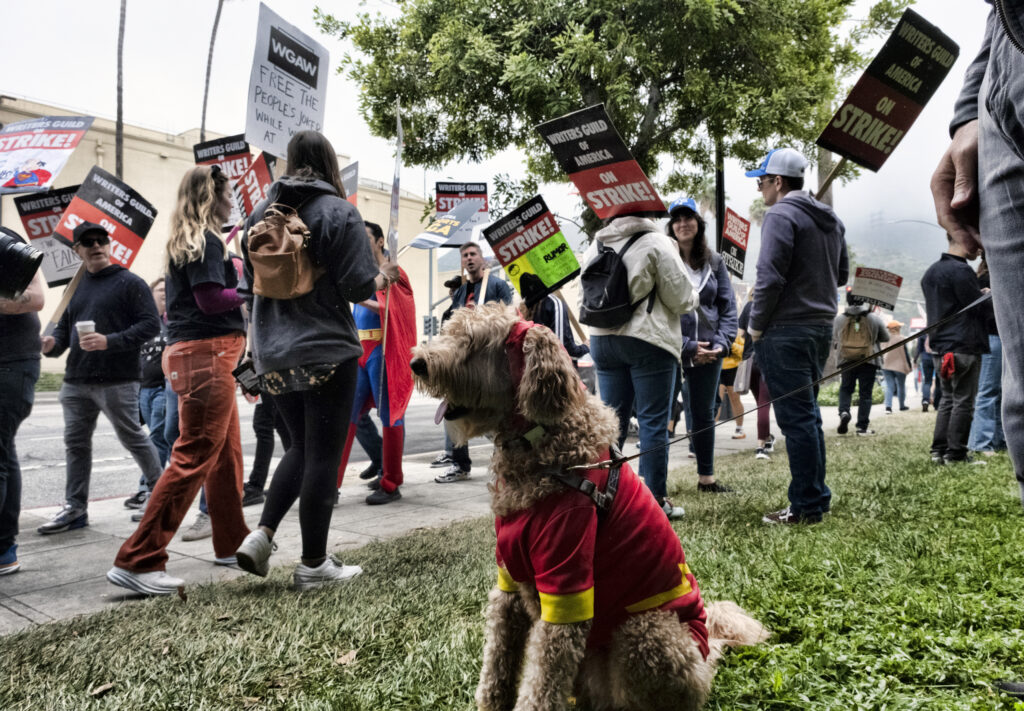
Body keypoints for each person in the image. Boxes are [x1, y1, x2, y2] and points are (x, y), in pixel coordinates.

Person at [234, 130, 395, 589]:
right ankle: (313, 564)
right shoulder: (339, 213)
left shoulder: (258, 217)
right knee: (323, 454)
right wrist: (383, 276)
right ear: (328, 162)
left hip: (273, 354)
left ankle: (262, 534)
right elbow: (357, 288)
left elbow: (249, 289)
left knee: (299, 448)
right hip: (325, 348)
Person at [931, 4, 1024, 696]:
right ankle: (953, 448)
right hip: (1003, 113)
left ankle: (952, 448)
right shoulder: (953, 271)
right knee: (1019, 406)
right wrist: (970, 114)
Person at [106, 165, 250, 595]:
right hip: (207, 356)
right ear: (212, 197)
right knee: (192, 459)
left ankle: (231, 543)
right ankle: (140, 559)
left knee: (226, 458)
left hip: (203, 357)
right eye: (228, 196)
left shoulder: (191, 241)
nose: (232, 203)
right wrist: (249, 286)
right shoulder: (205, 240)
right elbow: (211, 300)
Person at [745, 147, 849, 525]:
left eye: (762, 180)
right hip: (821, 326)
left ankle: (806, 506)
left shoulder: (780, 215)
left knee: (797, 419)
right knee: (808, 417)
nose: (760, 188)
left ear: (778, 181)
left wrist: (756, 325)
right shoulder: (832, 220)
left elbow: (769, 277)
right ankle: (815, 497)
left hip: (785, 329)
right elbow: (840, 275)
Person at [38, 222, 162, 534]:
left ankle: (161, 499)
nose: (96, 246)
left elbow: (151, 326)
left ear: (109, 245)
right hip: (76, 380)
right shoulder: (76, 286)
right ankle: (75, 509)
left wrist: (110, 341)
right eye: (88, 242)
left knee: (133, 437)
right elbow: (65, 331)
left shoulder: (130, 282)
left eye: (101, 240)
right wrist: (52, 345)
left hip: (118, 378)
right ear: (77, 250)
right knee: (75, 444)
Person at [580, 211, 700, 518]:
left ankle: (602, 498)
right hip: (648, 339)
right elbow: (683, 300)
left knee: (610, 425)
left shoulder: (596, 244)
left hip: (603, 341)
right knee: (652, 422)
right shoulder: (656, 242)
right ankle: (655, 501)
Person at [335, 220, 416, 506]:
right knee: (346, 418)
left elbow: (393, 309)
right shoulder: (358, 272)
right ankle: (330, 485)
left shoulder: (395, 273)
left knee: (390, 417)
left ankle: (391, 482)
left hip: (383, 351)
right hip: (359, 352)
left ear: (380, 241)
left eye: (365, 237)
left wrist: (360, 295)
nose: (359, 242)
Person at [667, 197, 737, 493]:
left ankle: (706, 477)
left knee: (704, 411)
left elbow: (728, 306)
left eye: (689, 217)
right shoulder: (664, 260)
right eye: (677, 219)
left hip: (710, 349)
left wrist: (721, 344)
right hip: (671, 346)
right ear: (670, 226)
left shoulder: (715, 261)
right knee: (661, 412)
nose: (683, 223)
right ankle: (654, 484)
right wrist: (686, 345)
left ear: (699, 223)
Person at [433, 242, 513, 484]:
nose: (469, 258)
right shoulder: (461, 291)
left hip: (488, 361)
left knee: (493, 414)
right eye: (465, 255)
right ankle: (459, 464)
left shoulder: (497, 285)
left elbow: (509, 317)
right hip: (462, 361)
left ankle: (508, 456)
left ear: (482, 259)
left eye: (473, 254)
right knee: (455, 410)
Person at [921, 233, 993, 465]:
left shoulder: (931, 272)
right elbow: (977, 308)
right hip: (964, 344)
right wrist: (988, 296)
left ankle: (938, 451)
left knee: (947, 399)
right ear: (963, 239)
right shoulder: (962, 271)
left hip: (940, 346)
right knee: (964, 400)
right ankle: (956, 454)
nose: (978, 248)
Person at [0, 233, 45, 574]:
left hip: (12, 361)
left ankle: (3, 547)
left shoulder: (6, 241)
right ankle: (5, 546)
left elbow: (35, 297)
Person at [125, 277, 171, 512]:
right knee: (162, 439)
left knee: (157, 438)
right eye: (159, 289)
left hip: (165, 389)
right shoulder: (145, 322)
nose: (163, 293)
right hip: (144, 389)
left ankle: (147, 489)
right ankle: (176, 482)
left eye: (166, 289)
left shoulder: (172, 321)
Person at [832, 293, 889, 436]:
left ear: (848, 300)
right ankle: (862, 427)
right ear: (864, 300)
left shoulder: (839, 319)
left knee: (846, 388)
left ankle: (844, 412)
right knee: (865, 394)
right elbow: (886, 337)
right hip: (869, 359)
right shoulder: (873, 318)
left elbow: (834, 338)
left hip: (846, 360)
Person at [967, 257, 1005, 455]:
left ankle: (998, 439)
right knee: (988, 391)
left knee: (997, 391)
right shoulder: (989, 281)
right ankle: (980, 443)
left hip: (994, 338)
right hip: (993, 337)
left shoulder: (982, 279)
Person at [737, 297, 776, 460]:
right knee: (764, 405)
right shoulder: (775, 307)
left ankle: (767, 438)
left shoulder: (748, 307)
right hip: (767, 360)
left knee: (761, 403)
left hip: (749, 362)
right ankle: (761, 446)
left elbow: (739, 334)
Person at [241, 395, 291, 506]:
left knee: (263, 425)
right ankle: (300, 477)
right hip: (273, 382)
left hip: (268, 382)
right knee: (281, 422)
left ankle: (256, 486)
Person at [520, 293, 589, 368]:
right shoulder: (554, 302)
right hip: (556, 369)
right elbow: (563, 347)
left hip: (534, 368)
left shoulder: (526, 303)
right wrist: (585, 347)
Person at [880, 320, 913, 415]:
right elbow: (906, 354)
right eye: (899, 327)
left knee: (889, 386)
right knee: (901, 386)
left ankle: (888, 407)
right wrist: (909, 366)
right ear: (896, 328)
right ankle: (902, 406)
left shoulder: (884, 338)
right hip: (900, 366)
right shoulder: (901, 338)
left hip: (886, 365)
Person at [914, 332, 941, 412]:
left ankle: (925, 400)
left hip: (926, 359)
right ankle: (937, 404)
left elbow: (918, 348)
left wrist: (915, 360)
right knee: (938, 382)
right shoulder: (939, 330)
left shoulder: (922, 333)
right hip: (937, 358)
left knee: (927, 381)